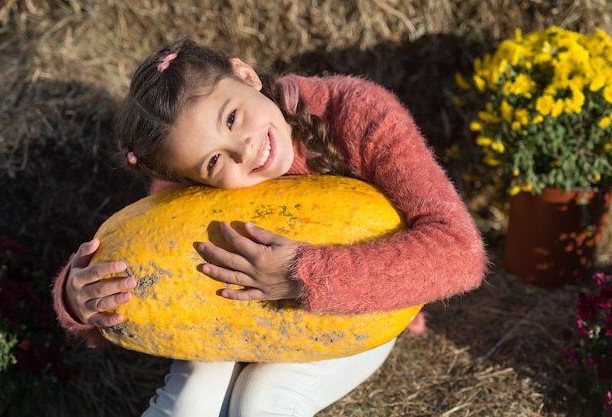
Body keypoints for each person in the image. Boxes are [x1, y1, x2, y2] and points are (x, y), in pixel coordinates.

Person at [52, 35, 487, 417]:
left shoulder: (358, 113)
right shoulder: (178, 180)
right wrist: (81, 301)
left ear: (245, 75)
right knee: (188, 406)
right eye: (214, 161)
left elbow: (461, 253)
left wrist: (301, 275)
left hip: (360, 303)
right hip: (228, 305)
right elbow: (154, 275)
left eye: (231, 118)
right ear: (190, 181)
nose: (243, 151)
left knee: (260, 405)